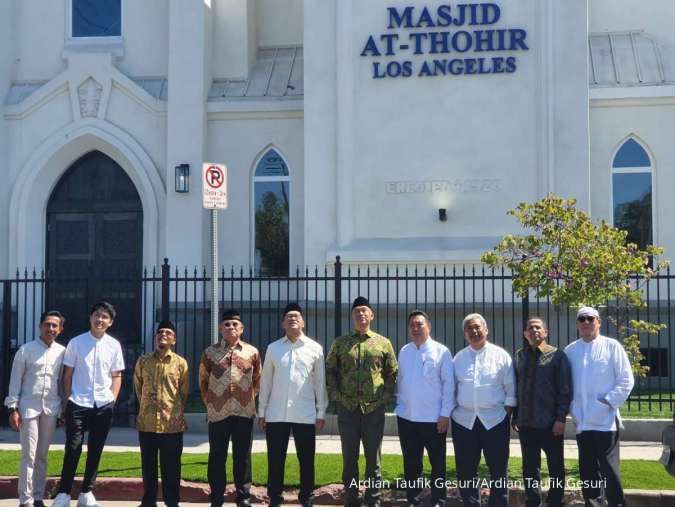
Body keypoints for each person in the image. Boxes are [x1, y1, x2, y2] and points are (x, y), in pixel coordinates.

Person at [326, 296, 398, 507]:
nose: (361, 314)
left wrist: (386, 396)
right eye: (357, 311)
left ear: (371, 315)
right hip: (347, 409)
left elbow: (392, 371)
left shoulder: (383, 343)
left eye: (364, 311)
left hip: (373, 409)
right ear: (352, 316)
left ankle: (373, 499)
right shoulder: (340, 343)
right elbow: (330, 370)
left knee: (373, 460)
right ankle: (352, 498)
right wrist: (336, 396)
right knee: (349, 458)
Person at [52, 301, 125, 507]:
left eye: (105, 317)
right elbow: (67, 375)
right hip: (78, 401)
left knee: (96, 448)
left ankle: (86, 492)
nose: (100, 319)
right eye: (97, 315)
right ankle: (64, 493)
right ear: (90, 317)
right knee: (73, 447)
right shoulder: (76, 342)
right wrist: (68, 400)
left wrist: (112, 399)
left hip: (103, 404)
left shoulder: (114, 345)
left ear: (110, 322)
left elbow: (116, 375)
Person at [258, 303, 328, 507]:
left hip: (304, 414)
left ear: (303, 322)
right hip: (276, 413)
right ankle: (275, 498)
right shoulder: (273, 348)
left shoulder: (315, 349)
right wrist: (262, 411)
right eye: (288, 316)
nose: (292, 319)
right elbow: (266, 382)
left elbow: (319, 382)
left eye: (296, 316)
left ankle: (307, 498)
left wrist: (321, 411)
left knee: (306, 460)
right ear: (283, 323)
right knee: (275, 460)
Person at [565, 306, 634, 507]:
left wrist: (607, 402)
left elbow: (626, 380)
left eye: (590, 319)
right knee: (588, 472)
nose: (586, 322)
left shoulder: (612, 346)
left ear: (599, 322)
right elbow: (566, 384)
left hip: (605, 422)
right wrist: (573, 408)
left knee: (610, 471)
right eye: (582, 319)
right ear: (577, 324)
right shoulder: (570, 350)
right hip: (582, 422)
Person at [451, 313, 516, 507]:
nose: (474, 331)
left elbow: (511, 388)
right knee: (466, 470)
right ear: (465, 334)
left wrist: (506, 412)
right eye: (469, 328)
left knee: (498, 469)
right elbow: (451, 389)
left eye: (478, 327)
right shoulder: (458, 359)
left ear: (486, 330)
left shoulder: (501, 356)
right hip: (464, 421)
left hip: (495, 420)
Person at [199, 309, 261, 507]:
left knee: (242, 456)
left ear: (241, 329)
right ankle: (216, 497)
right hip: (218, 413)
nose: (230, 327)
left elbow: (258, 380)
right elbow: (203, 382)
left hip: (244, 412)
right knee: (217, 455)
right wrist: (211, 403)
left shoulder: (252, 352)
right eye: (226, 324)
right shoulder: (209, 353)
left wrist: (248, 400)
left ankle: (243, 497)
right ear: (220, 328)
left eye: (235, 324)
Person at [5, 311, 66, 507]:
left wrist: (63, 409)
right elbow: (15, 380)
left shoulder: (63, 352)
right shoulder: (25, 350)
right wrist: (12, 408)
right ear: (40, 326)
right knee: (28, 454)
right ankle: (26, 499)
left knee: (42, 455)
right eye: (47, 325)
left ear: (60, 329)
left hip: (51, 408)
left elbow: (64, 381)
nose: (51, 329)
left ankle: (38, 496)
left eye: (55, 326)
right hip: (28, 408)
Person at [395, 310, 454, 507]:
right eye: (412, 325)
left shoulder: (441, 351)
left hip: (433, 419)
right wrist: (400, 406)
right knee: (411, 464)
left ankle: (439, 501)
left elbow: (449, 385)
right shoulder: (404, 351)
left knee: (437, 464)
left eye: (419, 324)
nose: (415, 328)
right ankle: (415, 500)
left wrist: (445, 414)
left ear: (428, 327)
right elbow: (400, 382)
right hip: (407, 418)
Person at [512, 317, 571, 507]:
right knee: (530, 467)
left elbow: (565, 389)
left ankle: (555, 501)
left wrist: (561, 418)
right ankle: (533, 501)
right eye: (530, 327)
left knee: (555, 467)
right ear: (525, 333)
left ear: (545, 332)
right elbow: (517, 387)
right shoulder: (520, 356)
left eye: (538, 327)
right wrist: (516, 414)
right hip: (526, 423)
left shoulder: (557, 356)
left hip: (550, 423)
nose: (534, 330)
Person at [134, 320, 189, 507]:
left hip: (171, 425)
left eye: (167, 332)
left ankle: (172, 501)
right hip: (147, 423)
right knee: (148, 466)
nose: (163, 335)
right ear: (155, 337)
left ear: (174, 339)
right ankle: (149, 501)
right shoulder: (143, 361)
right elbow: (138, 387)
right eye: (159, 332)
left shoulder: (181, 363)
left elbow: (183, 391)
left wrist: (174, 412)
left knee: (171, 467)